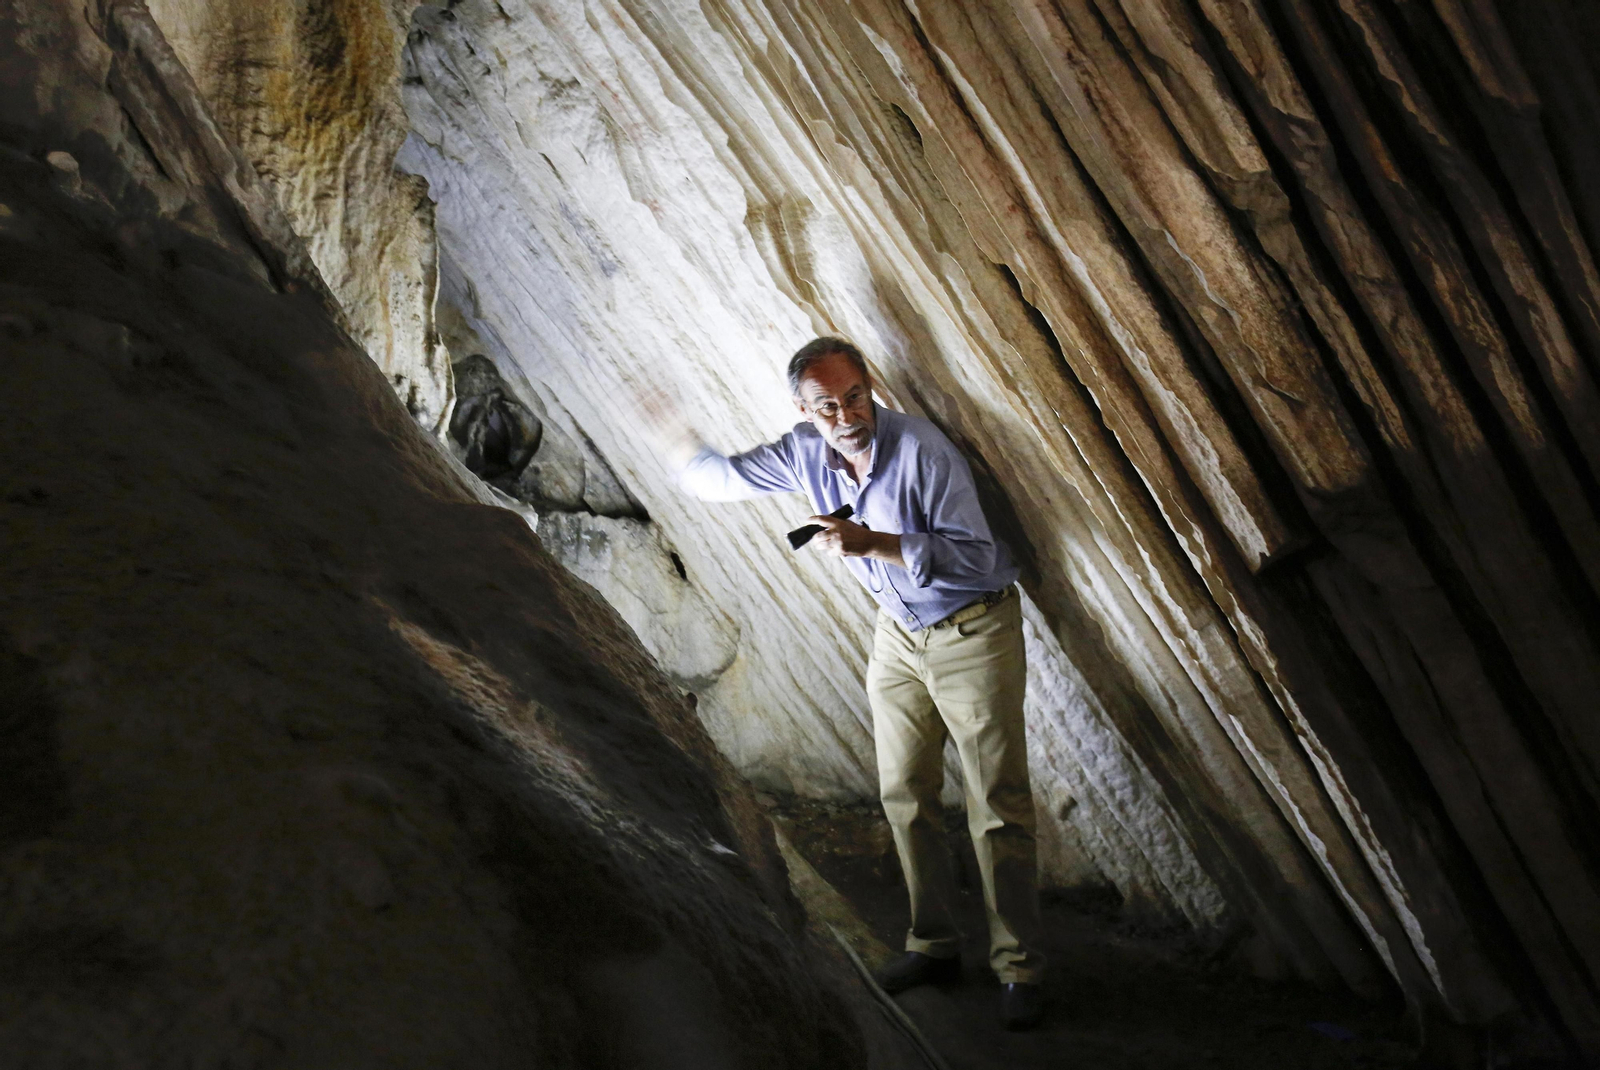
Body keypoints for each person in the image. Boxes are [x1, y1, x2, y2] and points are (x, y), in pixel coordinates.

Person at [640, 336, 1046, 1030]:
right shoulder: (805, 450)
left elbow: (979, 559)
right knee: (904, 793)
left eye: (855, 395)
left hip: (973, 629)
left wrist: (877, 544)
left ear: (872, 387)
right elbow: (722, 479)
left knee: (996, 804)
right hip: (899, 636)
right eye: (826, 405)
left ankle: (1020, 968)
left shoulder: (923, 452)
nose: (846, 414)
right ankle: (934, 944)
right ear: (804, 408)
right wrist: (675, 439)